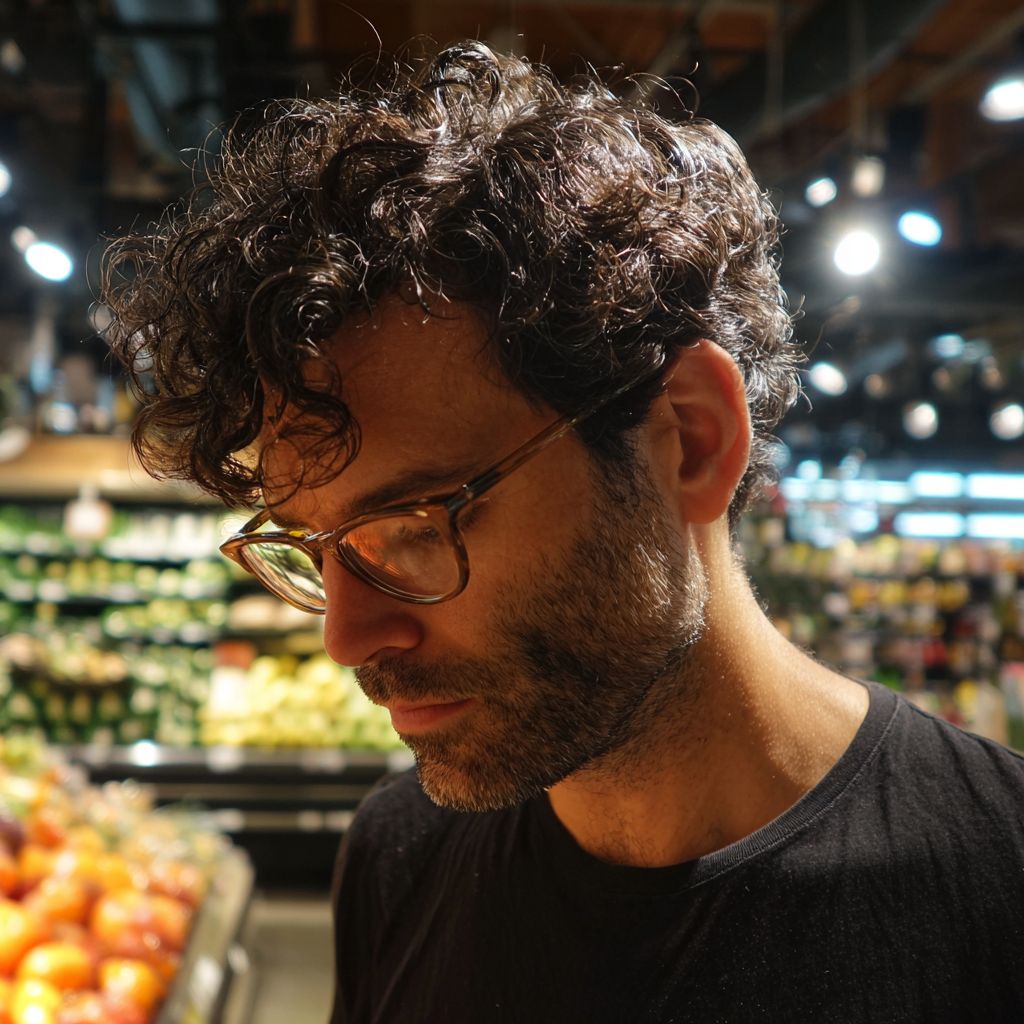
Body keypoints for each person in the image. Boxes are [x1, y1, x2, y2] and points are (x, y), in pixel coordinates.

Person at [104, 42, 1024, 1024]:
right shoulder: (398, 856)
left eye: (412, 526)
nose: (346, 636)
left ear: (689, 439)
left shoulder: (994, 880)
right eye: (312, 548)